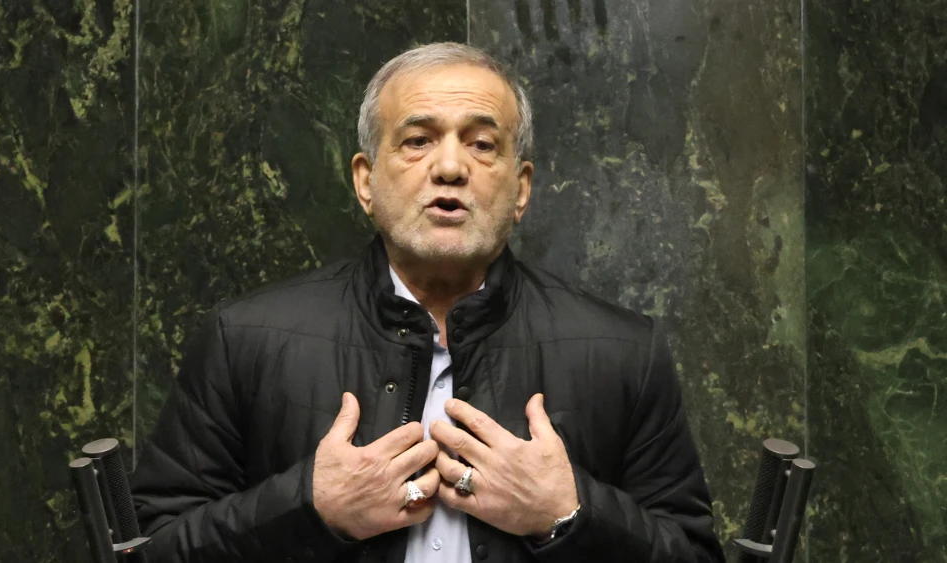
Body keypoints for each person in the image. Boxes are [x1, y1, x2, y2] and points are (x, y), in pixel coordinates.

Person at [131, 42, 726, 563]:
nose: (449, 167)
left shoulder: (625, 352)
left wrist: (567, 515)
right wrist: (311, 508)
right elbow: (151, 547)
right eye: (417, 141)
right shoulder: (246, 338)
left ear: (520, 190)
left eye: (482, 144)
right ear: (366, 181)